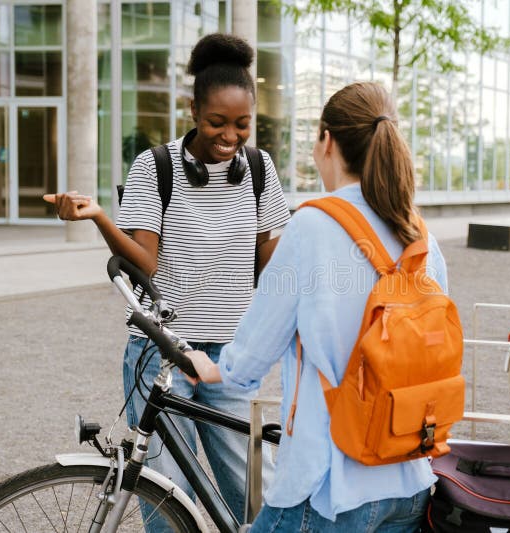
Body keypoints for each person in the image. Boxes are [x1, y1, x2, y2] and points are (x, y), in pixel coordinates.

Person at [45, 33, 290, 531]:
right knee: (165, 497)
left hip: (231, 357)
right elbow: (146, 263)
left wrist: (314, 241)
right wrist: (99, 217)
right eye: (216, 122)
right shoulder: (155, 167)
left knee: (253, 492)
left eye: (242, 124)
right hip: (160, 354)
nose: (230, 136)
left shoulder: (261, 169)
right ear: (192, 109)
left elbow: (268, 260)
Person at [186, 81, 448, 532]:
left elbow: (253, 353)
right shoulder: (418, 234)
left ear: (327, 140)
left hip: (327, 487)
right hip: (410, 477)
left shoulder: (311, 225)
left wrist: (212, 368)